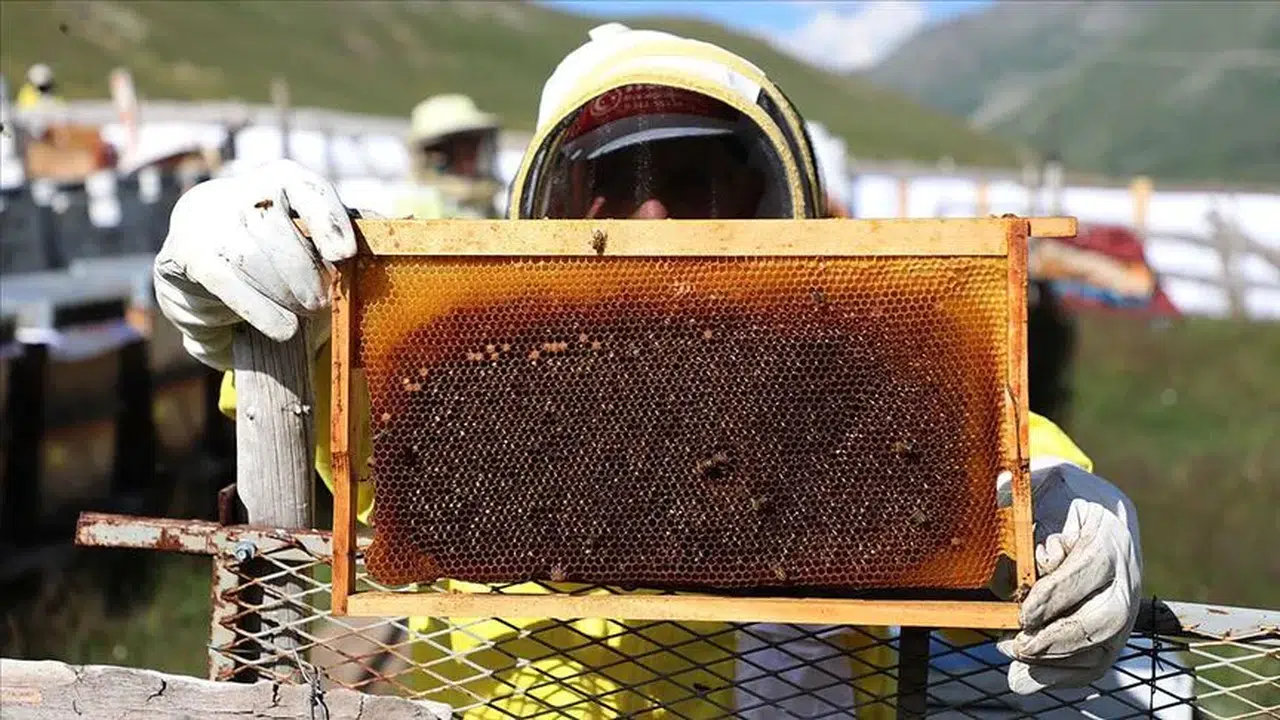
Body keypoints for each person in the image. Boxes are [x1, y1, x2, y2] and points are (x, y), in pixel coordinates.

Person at [154, 22, 1143, 718]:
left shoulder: (849, 379)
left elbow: (994, 446)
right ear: (550, 205)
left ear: (762, 198)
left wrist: (1063, 500)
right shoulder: (466, 389)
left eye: (691, 179)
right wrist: (244, 287)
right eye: (606, 185)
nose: (651, 219)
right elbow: (326, 375)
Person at [398, 93, 504, 220]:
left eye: (473, 145)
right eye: (457, 146)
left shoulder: (487, 207)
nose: (469, 157)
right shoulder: (417, 207)